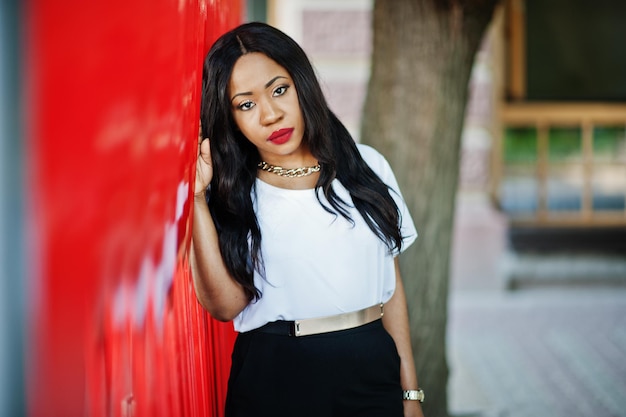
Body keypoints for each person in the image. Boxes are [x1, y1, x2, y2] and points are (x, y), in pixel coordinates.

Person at [191, 22, 425, 417]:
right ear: (230, 119)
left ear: (303, 85)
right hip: (276, 377)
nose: (270, 115)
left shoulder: (368, 166)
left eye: (279, 90)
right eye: (246, 104)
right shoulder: (233, 193)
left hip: (370, 369)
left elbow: (391, 289)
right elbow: (226, 306)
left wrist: (411, 395)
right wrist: (198, 199)